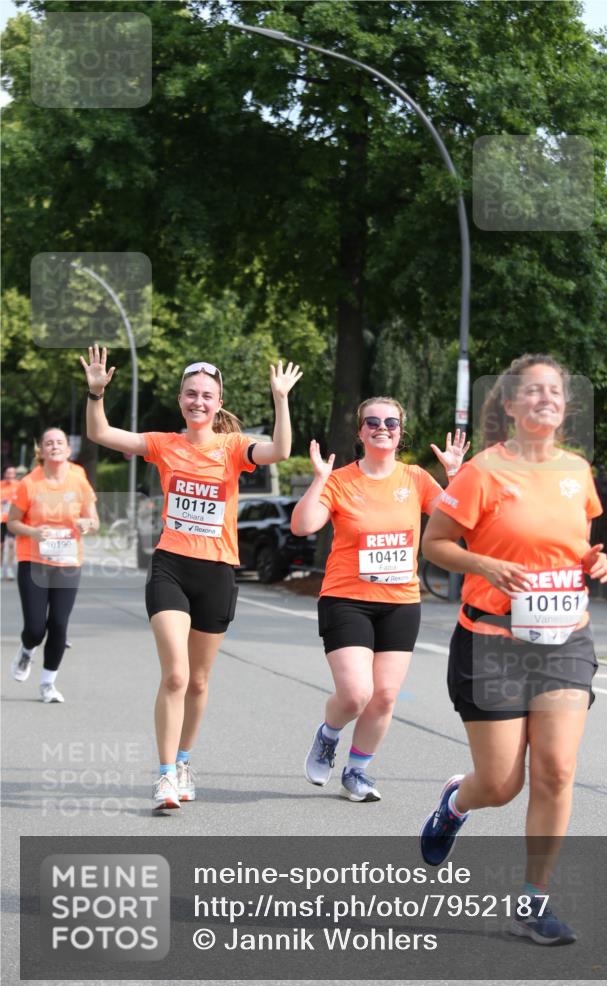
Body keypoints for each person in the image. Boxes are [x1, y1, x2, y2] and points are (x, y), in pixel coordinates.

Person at [419, 354, 607, 945]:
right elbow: (436, 543)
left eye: (554, 391)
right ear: (509, 406)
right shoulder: (482, 471)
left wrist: (593, 562)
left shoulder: (578, 471)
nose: (545, 399)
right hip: (491, 642)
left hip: (564, 642)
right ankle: (457, 801)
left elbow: (573, 545)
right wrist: (485, 564)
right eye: (532, 392)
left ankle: (533, 901)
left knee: (556, 770)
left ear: (564, 405)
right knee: (502, 785)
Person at [80, 344, 302, 812]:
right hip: (171, 567)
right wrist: (96, 393)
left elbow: (281, 450)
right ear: (180, 400)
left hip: (218, 571)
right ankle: (163, 776)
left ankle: (183, 761)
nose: (198, 401)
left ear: (218, 403)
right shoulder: (164, 444)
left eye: (207, 395)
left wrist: (281, 398)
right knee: (176, 674)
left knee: (199, 681)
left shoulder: (234, 449)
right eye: (190, 394)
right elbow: (100, 433)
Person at [291, 397, 468, 802]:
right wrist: (320, 478)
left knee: (385, 694)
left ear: (401, 432)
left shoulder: (417, 478)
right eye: (372, 421)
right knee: (356, 693)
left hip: (401, 601)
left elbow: (456, 523)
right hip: (346, 597)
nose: (382, 427)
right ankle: (328, 734)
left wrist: (455, 476)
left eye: (391, 422)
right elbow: (303, 526)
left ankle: (357, 772)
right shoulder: (340, 480)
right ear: (360, 432)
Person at [7, 431, 98, 703]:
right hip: (33, 560)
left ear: (68, 450)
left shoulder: (78, 480)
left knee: (59, 624)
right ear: (42, 452)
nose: (55, 446)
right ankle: (27, 649)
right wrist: (34, 533)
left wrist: (87, 524)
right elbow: (12, 523)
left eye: (59, 442)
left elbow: (94, 521)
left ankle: (48, 684)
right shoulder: (28, 483)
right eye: (49, 443)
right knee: (36, 628)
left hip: (68, 561)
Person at [1, 465, 19, 579]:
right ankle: (1, 568)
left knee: (12, 544)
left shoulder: (19, 485)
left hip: (12, 519)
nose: (10, 476)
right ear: (5, 474)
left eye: (12, 473)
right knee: (1, 545)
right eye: (8, 473)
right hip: (1, 519)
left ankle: (9, 568)